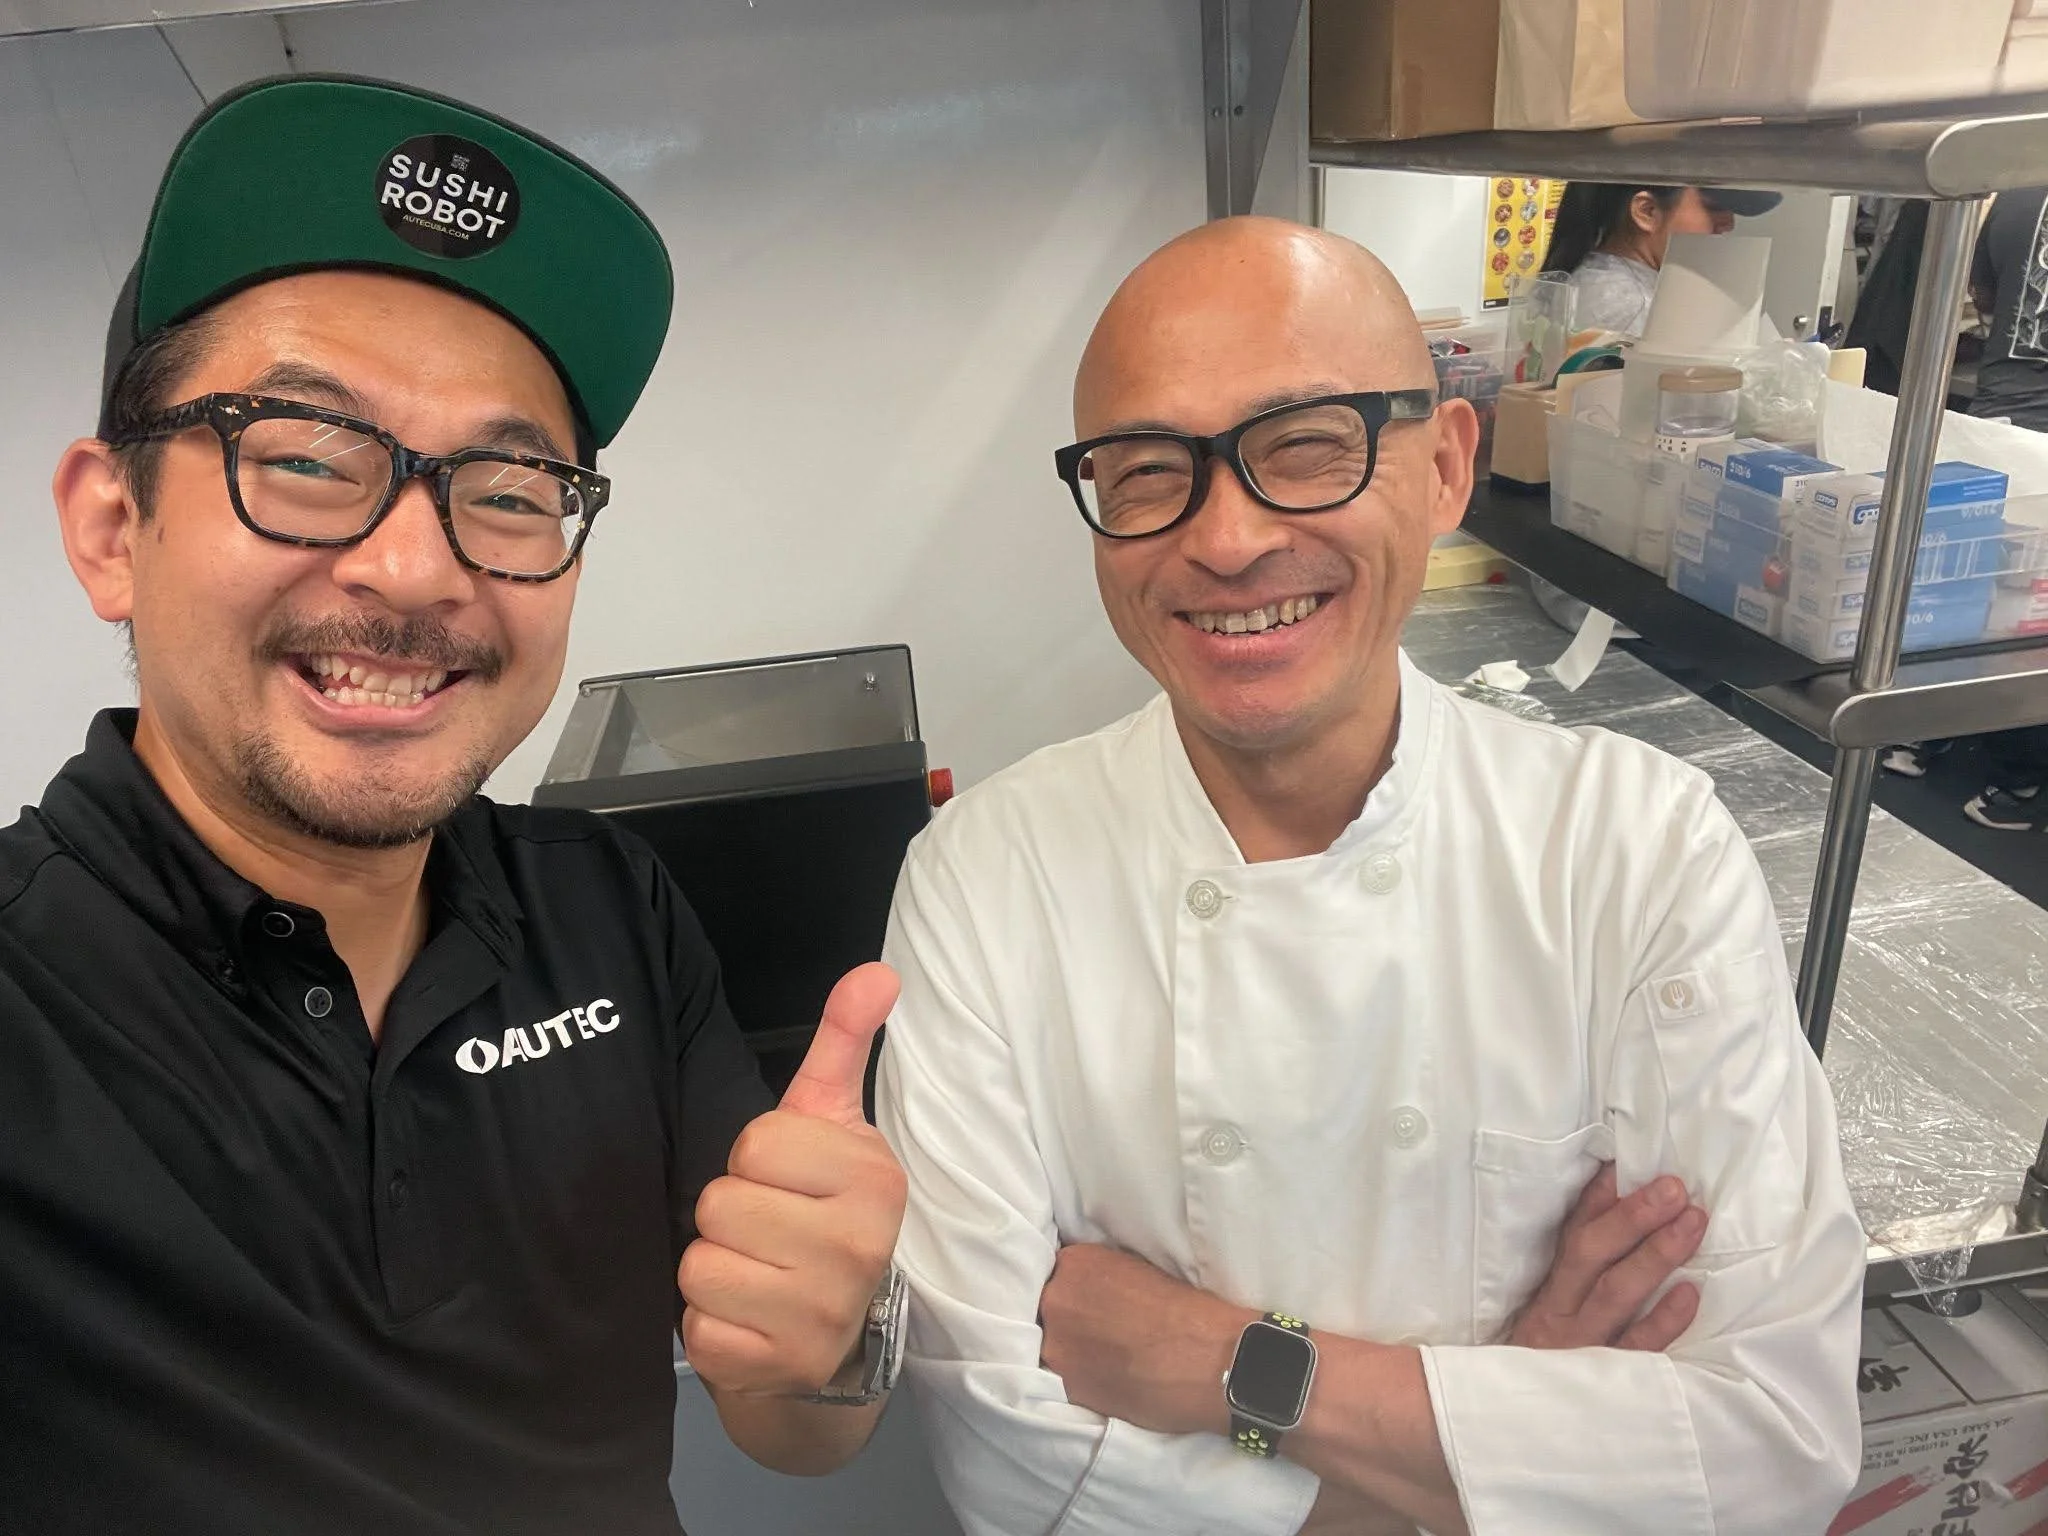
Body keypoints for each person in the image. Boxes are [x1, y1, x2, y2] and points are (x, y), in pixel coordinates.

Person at [1, 75, 907, 1536]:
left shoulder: (610, 908)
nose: (416, 571)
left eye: (507, 488)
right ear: (113, 528)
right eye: (306, 457)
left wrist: (834, 1336)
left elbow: (793, 1426)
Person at [876, 217, 1864, 1535]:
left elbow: (1772, 1446)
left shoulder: (1633, 853)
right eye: (1148, 473)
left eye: (1306, 446)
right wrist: (1514, 1429)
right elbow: (1003, 1459)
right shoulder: (985, 881)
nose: (1228, 540)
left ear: (1447, 465)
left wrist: (1225, 1370)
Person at [1541, 181, 1785, 335]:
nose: (1728, 223)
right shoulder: (1622, 305)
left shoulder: (1622, 287)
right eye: (1713, 208)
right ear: (1647, 212)